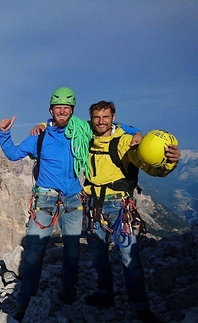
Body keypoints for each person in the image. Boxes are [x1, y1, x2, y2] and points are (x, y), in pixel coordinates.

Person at [0, 87, 140, 321]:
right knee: (33, 253)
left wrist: (137, 135)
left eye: (67, 108)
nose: (62, 111)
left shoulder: (81, 130)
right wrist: (4, 134)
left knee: (72, 252)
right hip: (45, 199)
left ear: (72, 111)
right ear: (51, 110)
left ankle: (68, 293)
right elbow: (14, 154)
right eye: (58, 107)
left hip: (74, 199)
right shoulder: (40, 135)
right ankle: (24, 301)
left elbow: (115, 128)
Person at [82, 100, 180, 322]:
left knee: (129, 257)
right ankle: (105, 294)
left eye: (105, 117)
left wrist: (168, 162)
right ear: (92, 119)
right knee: (99, 257)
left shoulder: (127, 142)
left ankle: (140, 307)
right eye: (97, 117)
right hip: (93, 206)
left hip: (119, 206)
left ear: (113, 117)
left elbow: (151, 167)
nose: (101, 121)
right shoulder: (85, 140)